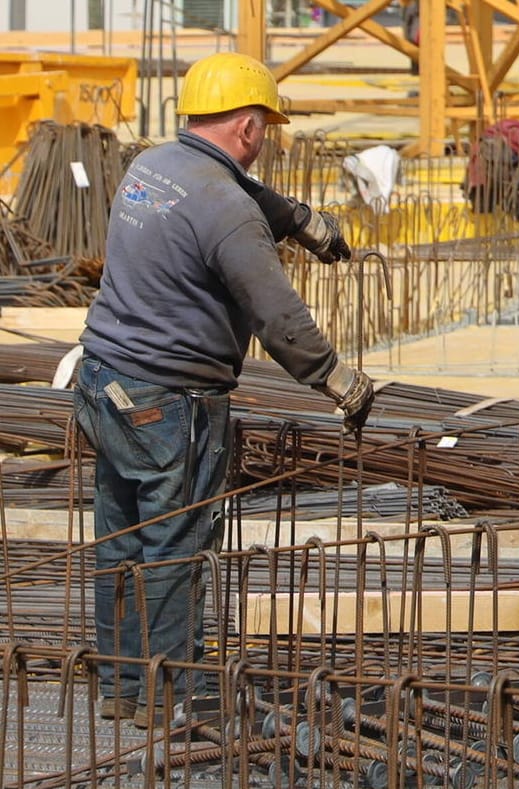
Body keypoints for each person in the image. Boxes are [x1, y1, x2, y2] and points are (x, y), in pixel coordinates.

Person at [73, 51, 375, 728]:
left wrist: (298, 218)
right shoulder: (229, 213)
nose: (265, 134)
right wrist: (341, 382)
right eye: (263, 124)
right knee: (175, 547)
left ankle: (121, 688)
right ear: (247, 126)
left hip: (101, 383)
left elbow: (226, 188)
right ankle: (166, 698)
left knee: (123, 539)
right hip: (170, 404)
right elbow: (280, 320)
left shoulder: (150, 168)